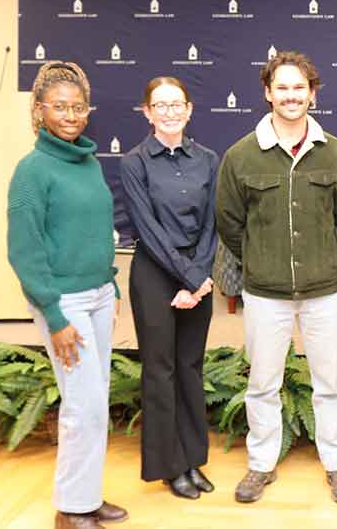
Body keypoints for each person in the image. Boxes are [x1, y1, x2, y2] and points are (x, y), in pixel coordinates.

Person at [215, 51, 337, 505]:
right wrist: (262, 260)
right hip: (265, 293)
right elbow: (230, 224)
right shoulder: (240, 156)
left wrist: (319, 256)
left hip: (322, 291)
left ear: (312, 94)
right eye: (282, 88)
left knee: (331, 383)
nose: (291, 96)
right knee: (262, 384)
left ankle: (336, 463)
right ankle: (261, 463)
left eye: (300, 88)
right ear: (267, 93)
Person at [7, 61, 129, 529]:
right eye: (60, 107)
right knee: (83, 405)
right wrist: (54, 316)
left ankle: (86, 497)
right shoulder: (32, 171)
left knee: (95, 400)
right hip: (64, 302)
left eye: (78, 107)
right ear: (39, 110)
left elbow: (95, 231)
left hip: (97, 295)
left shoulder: (88, 162)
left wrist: (110, 284)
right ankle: (71, 510)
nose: (71, 115)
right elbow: (24, 250)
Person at [120, 76, 219, 499]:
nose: (170, 112)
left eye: (177, 104)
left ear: (189, 109)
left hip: (198, 274)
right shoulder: (134, 162)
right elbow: (149, 229)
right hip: (154, 274)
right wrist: (190, 279)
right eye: (160, 105)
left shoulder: (209, 159)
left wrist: (199, 277)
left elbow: (213, 224)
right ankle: (169, 466)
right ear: (147, 112)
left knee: (190, 368)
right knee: (160, 372)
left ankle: (193, 459)